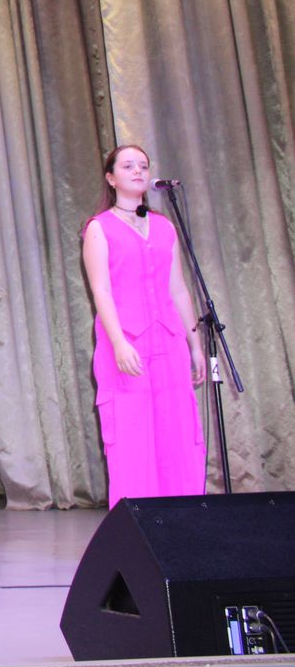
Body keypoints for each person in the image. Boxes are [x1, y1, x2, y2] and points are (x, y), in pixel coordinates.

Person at [81, 144, 205, 506]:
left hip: (168, 342)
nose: (138, 171)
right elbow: (101, 290)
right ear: (111, 178)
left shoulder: (164, 226)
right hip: (126, 345)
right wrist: (119, 343)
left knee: (176, 433)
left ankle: (183, 520)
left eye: (143, 166)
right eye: (128, 166)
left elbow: (177, 288)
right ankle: (138, 524)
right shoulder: (99, 228)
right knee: (132, 437)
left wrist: (195, 345)